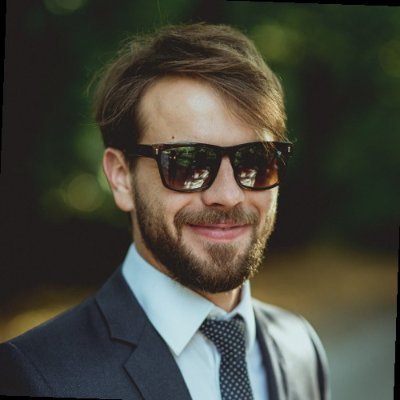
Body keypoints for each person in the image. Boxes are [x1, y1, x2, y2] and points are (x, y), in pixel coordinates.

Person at [0, 23, 329, 400]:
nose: (228, 195)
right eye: (189, 164)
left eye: (254, 160)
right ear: (122, 178)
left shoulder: (300, 347)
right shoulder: (38, 377)